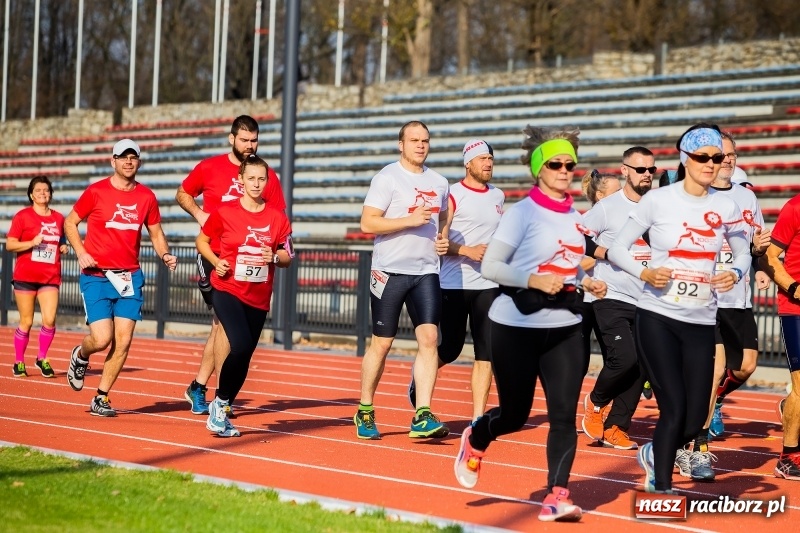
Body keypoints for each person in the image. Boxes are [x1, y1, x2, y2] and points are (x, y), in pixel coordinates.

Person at [454, 125, 607, 522]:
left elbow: (568, 264)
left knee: (562, 416)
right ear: (539, 168)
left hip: (566, 328)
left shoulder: (575, 217)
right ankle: (477, 437)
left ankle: (557, 495)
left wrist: (585, 280)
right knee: (515, 414)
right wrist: (533, 280)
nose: (563, 169)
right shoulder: (521, 212)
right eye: (555, 163)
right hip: (515, 326)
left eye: (569, 164)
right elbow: (491, 266)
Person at [606, 124, 752, 493]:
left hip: (701, 322)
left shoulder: (727, 204)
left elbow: (743, 252)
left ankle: (656, 452)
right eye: (703, 157)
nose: (712, 164)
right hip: (658, 317)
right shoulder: (659, 200)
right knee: (672, 407)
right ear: (686, 160)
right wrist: (646, 272)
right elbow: (617, 248)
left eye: (717, 158)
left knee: (693, 419)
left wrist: (734, 272)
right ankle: (664, 488)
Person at [676, 131, 771, 481]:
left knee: (745, 366)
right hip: (705, 298)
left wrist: (760, 263)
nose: (727, 160)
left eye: (731, 154)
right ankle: (695, 447)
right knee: (714, 369)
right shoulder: (697, 195)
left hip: (738, 299)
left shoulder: (747, 197)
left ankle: (707, 400)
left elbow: (754, 245)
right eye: (721, 155)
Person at [176, 115, 286, 417]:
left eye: (254, 141)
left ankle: (203, 388)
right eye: (244, 140)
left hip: (250, 262)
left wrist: (275, 250)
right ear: (231, 139)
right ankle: (220, 400)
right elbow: (182, 193)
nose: (250, 146)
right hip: (215, 254)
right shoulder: (210, 167)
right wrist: (201, 216)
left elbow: (277, 218)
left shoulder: (266, 175)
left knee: (223, 328)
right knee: (224, 325)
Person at [64, 139, 177, 417]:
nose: (128, 162)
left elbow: (156, 232)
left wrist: (164, 255)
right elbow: (69, 222)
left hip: (129, 276)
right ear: (112, 161)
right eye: (122, 157)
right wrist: (80, 252)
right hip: (97, 276)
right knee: (102, 339)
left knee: (123, 341)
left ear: (139, 162)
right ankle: (81, 355)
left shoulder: (146, 197)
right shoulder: (96, 191)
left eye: (133, 157)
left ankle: (100, 397)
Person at [354, 120, 450, 440]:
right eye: (414, 140)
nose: (420, 145)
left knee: (429, 340)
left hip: (426, 272)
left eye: (425, 140)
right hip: (390, 271)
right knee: (382, 344)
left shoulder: (440, 182)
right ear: (401, 145)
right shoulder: (387, 177)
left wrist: (444, 238)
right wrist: (409, 220)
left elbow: (444, 215)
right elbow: (368, 223)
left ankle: (422, 413)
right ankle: (365, 409)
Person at [408, 139, 504, 422]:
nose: (488, 163)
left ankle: (477, 418)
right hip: (453, 283)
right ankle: (420, 377)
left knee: (486, 352)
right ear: (468, 163)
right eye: (482, 158)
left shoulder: (498, 196)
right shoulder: (452, 195)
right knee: (450, 348)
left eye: (491, 158)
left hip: (488, 284)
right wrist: (467, 251)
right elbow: (439, 239)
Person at [197, 154, 292, 437]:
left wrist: (274, 256)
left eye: (261, 178)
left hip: (259, 296)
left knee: (246, 354)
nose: (256, 183)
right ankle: (219, 406)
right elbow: (202, 241)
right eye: (250, 178)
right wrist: (216, 262)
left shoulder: (276, 218)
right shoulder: (225, 212)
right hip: (227, 288)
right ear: (240, 181)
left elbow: (288, 256)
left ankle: (222, 406)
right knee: (238, 345)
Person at [582, 147, 657, 451]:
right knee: (624, 357)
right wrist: (605, 253)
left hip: (648, 298)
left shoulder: (660, 205)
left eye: (652, 170)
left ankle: (616, 427)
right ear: (625, 170)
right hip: (611, 293)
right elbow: (578, 237)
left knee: (643, 366)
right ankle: (596, 402)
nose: (647, 175)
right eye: (641, 170)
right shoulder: (607, 207)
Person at [6, 176, 68, 378]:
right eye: (38, 190)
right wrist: (31, 243)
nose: (43, 193)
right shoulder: (22, 216)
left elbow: (61, 240)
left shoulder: (59, 218)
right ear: (31, 194)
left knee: (49, 319)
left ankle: (42, 358)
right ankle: (19, 361)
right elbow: (10, 245)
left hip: (50, 276)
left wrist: (63, 246)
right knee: (27, 321)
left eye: (46, 190)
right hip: (26, 276)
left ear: (51, 193)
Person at [759, 193, 800, 480]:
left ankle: (790, 409)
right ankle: (788, 458)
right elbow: (769, 257)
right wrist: (794, 288)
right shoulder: (794, 207)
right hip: (796, 308)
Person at [578, 170, 618, 376]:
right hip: (586, 297)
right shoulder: (586, 220)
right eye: (616, 192)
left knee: (614, 354)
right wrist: (602, 254)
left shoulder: (621, 219)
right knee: (581, 358)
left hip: (609, 295)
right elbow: (577, 261)